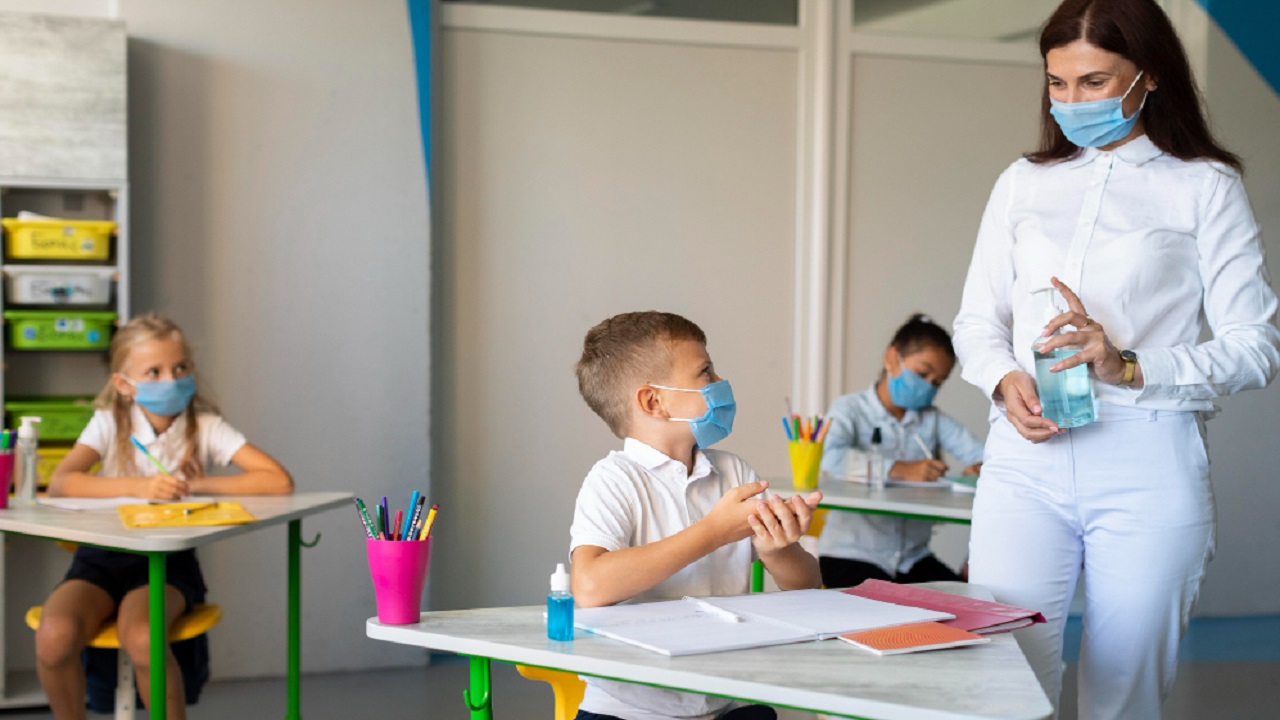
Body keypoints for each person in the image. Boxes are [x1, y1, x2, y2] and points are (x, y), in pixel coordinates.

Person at [952, 0, 1280, 717]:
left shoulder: (1204, 187)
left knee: (1123, 695)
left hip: (1147, 462)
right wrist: (1003, 378)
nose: (1071, 101)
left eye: (1095, 82)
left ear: (1150, 76)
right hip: (1024, 460)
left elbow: (1256, 347)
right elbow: (977, 320)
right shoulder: (1022, 183)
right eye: (1057, 83)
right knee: (1001, 683)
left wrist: (1128, 364)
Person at [36, 313, 293, 720]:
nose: (170, 380)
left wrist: (195, 484)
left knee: (143, 637)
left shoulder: (204, 427)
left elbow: (278, 481)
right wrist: (138, 487)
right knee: (54, 635)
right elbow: (63, 483)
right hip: (100, 558)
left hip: (167, 565)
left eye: (180, 368)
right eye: (153, 372)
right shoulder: (108, 424)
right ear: (124, 384)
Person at [570, 311, 821, 720]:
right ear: (654, 401)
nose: (719, 381)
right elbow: (590, 585)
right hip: (629, 711)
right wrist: (714, 531)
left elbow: (807, 584)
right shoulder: (614, 479)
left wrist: (778, 549)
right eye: (705, 371)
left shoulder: (734, 472)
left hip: (725, 702)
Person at [816, 314, 983, 589]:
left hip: (912, 559)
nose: (929, 386)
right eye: (922, 373)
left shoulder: (933, 419)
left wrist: (980, 467)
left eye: (937, 382)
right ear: (892, 358)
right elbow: (831, 457)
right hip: (850, 554)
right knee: (883, 620)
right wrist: (901, 469)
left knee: (966, 606)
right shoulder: (850, 409)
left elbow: (983, 454)